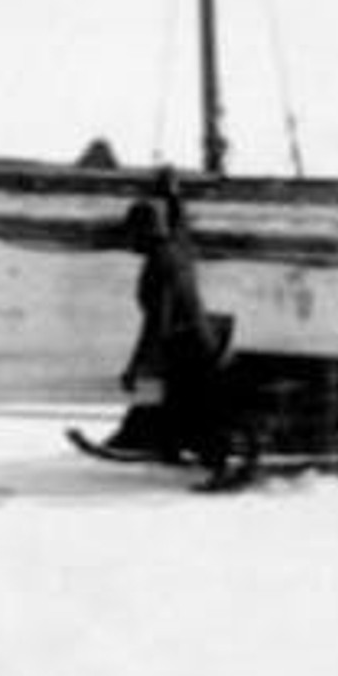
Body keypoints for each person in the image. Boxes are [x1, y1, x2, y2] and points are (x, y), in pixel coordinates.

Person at [113, 196, 240, 479]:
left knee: (191, 407)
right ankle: (165, 448)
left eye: (131, 232)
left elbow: (156, 323)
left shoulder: (159, 265)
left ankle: (213, 465)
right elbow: (182, 225)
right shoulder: (176, 248)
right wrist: (172, 196)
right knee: (177, 403)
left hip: (189, 347)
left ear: (145, 232)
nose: (128, 240)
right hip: (202, 339)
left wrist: (135, 368)